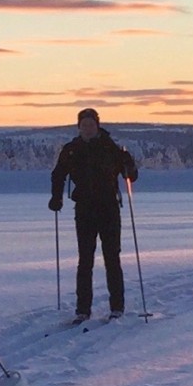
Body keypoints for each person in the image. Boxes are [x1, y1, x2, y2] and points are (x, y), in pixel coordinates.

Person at [50, 108, 139, 323]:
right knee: (85, 260)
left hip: (108, 208)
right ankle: (83, 310)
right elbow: (58, 175)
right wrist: (56, 198)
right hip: (84, 209)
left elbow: (131, 176)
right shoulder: (71, 150)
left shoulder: (110, 147)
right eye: (84, 125)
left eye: (91, 124)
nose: (87, 128)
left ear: (97, 125)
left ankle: (117, 307)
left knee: (111, 258)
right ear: (79, 127)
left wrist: (129, 163)